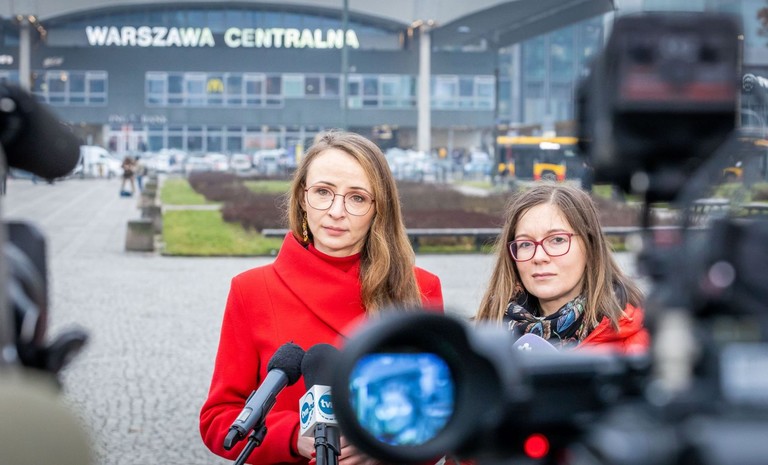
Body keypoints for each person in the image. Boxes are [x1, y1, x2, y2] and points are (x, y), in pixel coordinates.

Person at [199, 130, 444, 465]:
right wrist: (292, 437)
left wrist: (384, 444)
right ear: (302, 197)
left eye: (357, 198)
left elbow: (438, 418)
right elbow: (218, 419)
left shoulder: (420, 289)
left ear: (379, 207)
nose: (336, 211)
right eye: (323, 192)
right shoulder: (251, 289)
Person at [474, 183, 649, 353]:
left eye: (557, 240)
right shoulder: (483, 340)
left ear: (590, 245)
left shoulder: (640, 345)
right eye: (525, 244)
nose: (539, 257)